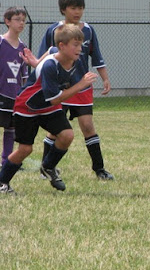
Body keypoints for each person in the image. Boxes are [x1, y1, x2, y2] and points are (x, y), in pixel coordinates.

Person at [0, 24, 97, 194]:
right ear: (63, 46)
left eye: (80, 44)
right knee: (25, 149)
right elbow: (55, 99)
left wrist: (35, 62)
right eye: (75, 44)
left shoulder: (69, 58)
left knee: (67, 135)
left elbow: (51, 48)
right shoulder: (51, 66)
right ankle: (2, 182)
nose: (79, 49)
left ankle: (48, 167)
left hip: (46, 107)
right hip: (28, 107)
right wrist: (81, 84)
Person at [37, 0, 114, 180]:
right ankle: (46, 168)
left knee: (88, 126)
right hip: (59, 89)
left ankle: (99, 169)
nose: (77, 12)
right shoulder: (54, 30)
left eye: (80, 7)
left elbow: (96, 56)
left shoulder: (87, 30)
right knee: (55, 131)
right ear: (63, 9)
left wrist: (104, 78)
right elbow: (42, 59)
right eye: (73, 7)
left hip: (82, 87)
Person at [0, 7, 29, 167]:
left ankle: (7, 161)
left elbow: (23, 76)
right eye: (17, 19)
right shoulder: (1, 42)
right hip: (1, 93)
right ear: (8, 21)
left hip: (14, 95)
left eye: (23, 20)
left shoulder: (22, 48)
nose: (21, 23)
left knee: (11, 128)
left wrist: (23, 93)